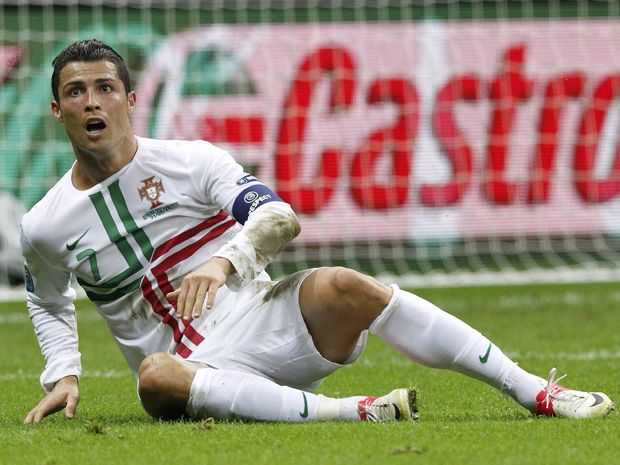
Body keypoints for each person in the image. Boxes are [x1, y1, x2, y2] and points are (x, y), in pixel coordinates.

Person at [22, 39, 614, 425]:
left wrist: (222, 262)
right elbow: (46, 300)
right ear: (58, 111)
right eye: (75, 92)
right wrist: (63, 374)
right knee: (155, 376)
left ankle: (534, 390)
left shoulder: (192, 161)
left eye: (104, 89)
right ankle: (354, 413)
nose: (92, 103)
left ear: (129, 99)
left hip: (263, 319)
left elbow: (278, 217)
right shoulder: (46, 224)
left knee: (348, 285)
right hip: (186, 373)